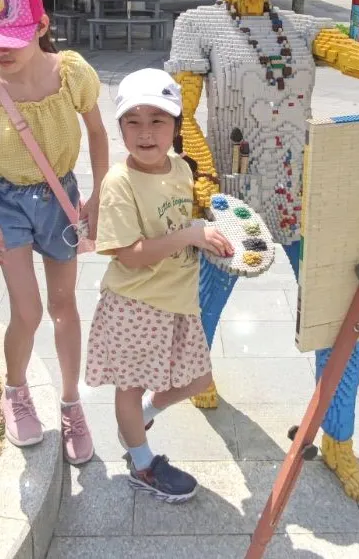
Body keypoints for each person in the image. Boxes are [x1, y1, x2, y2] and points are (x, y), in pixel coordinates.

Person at [166, 0, 359, 503]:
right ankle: (194, 374)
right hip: (232, 200)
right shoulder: (198, 25)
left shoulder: (303, 27)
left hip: (307, 199)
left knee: (341, 321)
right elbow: (182, 114)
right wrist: (204, 180)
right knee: (203, 304)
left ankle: (337, 439)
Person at [85, 68, 234, 502]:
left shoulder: (182, 168)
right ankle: (143, 464)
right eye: (134, 120)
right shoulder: (119, 184)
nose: (146, 132)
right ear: (120, 127)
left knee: (196, 378)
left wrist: (205, 238)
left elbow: (180, 223)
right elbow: (128, 253)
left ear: (175, 125)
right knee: (129, 387)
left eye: (158, 120)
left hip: (177, 301)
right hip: (136, 304)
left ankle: (142, 417)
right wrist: (189, 235)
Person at [0, 0, 108, 465]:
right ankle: (16, 390)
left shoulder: (71, 72)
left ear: (41, 26)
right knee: (28, 311)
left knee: (65, 306)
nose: (5, 50)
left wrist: (102, 194)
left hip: (61, 198)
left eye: (13, 38)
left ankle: (71, 402)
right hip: (6, 204)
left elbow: (99, 133)